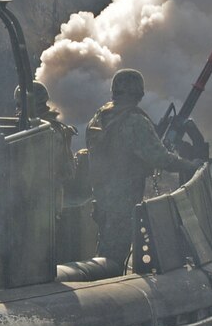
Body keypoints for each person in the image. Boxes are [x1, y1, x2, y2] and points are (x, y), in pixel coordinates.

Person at [84, 69, 201, 269]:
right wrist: (191, 165)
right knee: (113, 258)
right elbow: (161, 158)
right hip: (123, 199)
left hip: (101, 196)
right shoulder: (134, 120)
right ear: (138, 92)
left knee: (105, 249)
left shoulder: (100, 117)